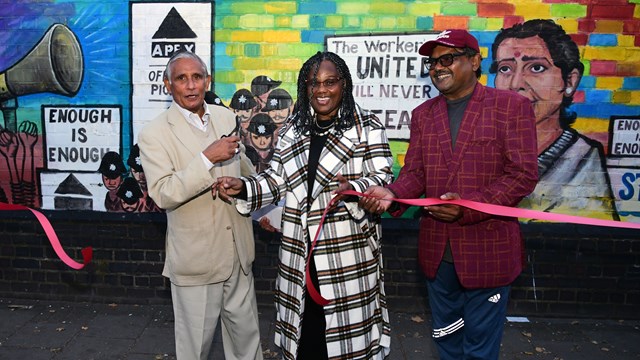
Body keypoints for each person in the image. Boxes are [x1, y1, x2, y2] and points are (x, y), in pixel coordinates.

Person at [360, 29, 539, 360]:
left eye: (447, 59)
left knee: (479, 350)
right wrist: (391, 193)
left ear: (474, 61)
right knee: (447, 344)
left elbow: (522, 175)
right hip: (437, 255)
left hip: (488, 252)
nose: (437, 67)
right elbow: (415, 175)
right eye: (432, 62)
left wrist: (467, 209)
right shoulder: (423, 115)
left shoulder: (511, 107)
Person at [216, 51, 394, 360]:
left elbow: (382, 175)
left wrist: (357, 189)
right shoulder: (292, 130)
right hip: (300, 255)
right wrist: (244, 187)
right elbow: (275, 180)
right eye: (314, 83)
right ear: (305, 86)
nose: (321, 90)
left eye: (330, 82)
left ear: (344, 84)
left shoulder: (366, 126)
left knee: (346, 344)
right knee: (306, 340)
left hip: (346, 255)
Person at [137, 50, 263, 360]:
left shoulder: (225, 117)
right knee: (194, 351)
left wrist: (245, 187)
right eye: (182, 78)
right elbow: (163, 193)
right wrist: (208, 158)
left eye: (197, 77)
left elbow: (243, 165)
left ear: (207, 81)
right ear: (168, 84)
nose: (191, 86)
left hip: (239, 252)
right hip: (196, 260)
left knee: (247, 344)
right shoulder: (153, 134)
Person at [490, 19, 619, 220]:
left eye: (536, 68)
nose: (516, 84)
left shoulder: (581, 161)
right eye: (505, 69)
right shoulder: (487, 148)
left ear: (569, 81)